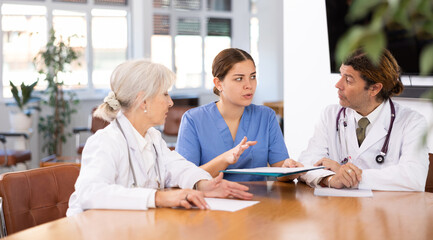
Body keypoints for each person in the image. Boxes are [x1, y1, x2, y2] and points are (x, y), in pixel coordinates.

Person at [67, 60, 253, 216]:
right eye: (165, 94)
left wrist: (203, 184)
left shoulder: (152, 137)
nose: (170, 102)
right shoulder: (106, 141)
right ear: (143, 101)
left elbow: (178, 167)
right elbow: (90, 193)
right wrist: (158, 198)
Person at [298, 48, 429, 191]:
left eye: (348, 79)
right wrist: (331, 179)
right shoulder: (330, 115)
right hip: (338, 209)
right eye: (341, 75)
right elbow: (306, 164)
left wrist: (347, 174)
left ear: (374, 88)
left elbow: (414, 177)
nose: (338, 85)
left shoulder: (412, 122)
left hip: (386, 210)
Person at [176, 48, 303, 182]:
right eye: (239, 79)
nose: (249, 85)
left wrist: (289, 168)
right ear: (219, 83)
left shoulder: (266, 116)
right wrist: (224, 159)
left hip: (259, 200)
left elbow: (280, 169)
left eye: (252, 77)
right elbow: (184, 177)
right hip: (211, 200)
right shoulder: (193, 119)